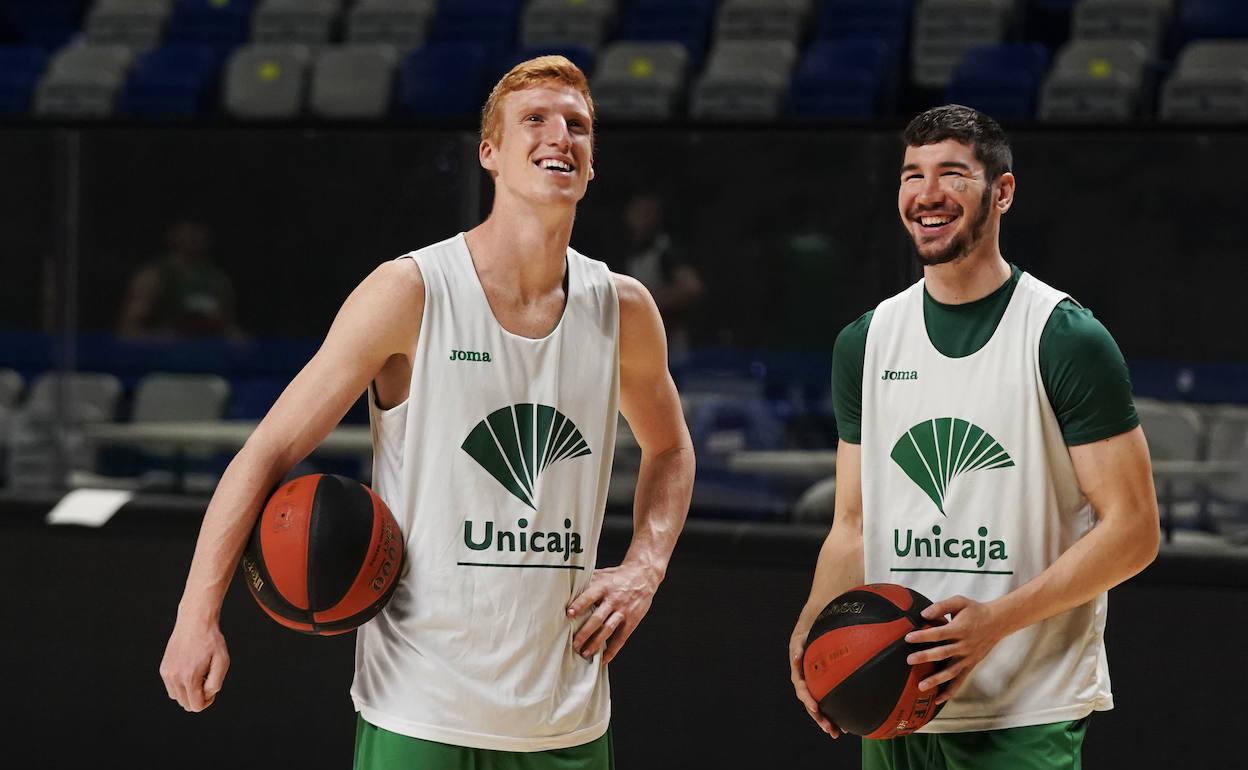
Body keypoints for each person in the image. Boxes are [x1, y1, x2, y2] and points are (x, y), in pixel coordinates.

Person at [159, 56, 695, 770]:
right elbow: (266, 452)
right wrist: (196, 615)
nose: (559, 136)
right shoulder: (410, 291)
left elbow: (671, 450)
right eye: (534, 119)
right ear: (490, 153)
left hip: (565, 719)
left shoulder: (623, 308)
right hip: (420, 710)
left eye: (578, 126)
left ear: (592, 165)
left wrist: (645, 566)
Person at [788, 105, 1160, 769]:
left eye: (952, 174)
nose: (927, 194)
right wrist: (818, 621)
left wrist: (994, 623)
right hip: (891, 703)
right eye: (912, 175)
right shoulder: (866, 342)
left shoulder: (1065, 337)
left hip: (1023, 708)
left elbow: (1132, 531)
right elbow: (852, 522)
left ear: (1003, 192)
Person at [117, 218, 244, 340]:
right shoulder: (153, 276)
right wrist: (157, 340)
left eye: (199, 230)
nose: (194, 235)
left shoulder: (219, 280)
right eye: (188, 229)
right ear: (173, 234)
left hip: (206, 354)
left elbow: (229, 327)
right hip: (162, 355)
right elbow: (128, 330)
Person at [618, 191, 703, 362]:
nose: (642, 218)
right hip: (637, 340)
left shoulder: (666, 251)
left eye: (648, 213)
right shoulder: (626, 251)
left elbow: (691, 288)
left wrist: (645, 301)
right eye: (638, 212)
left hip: (669, 343)